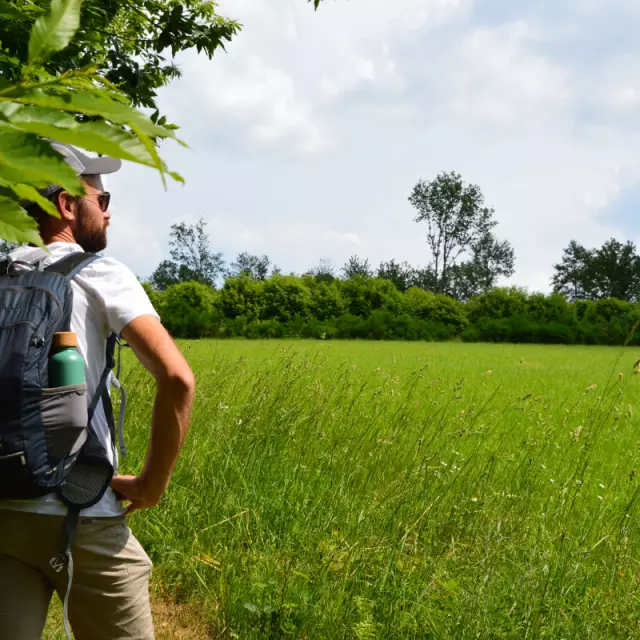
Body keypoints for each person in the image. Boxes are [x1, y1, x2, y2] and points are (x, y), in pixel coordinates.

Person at [0, 142, 196, 640]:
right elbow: (178, 378)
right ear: (67, 205)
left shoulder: (3, 273)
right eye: (101, 201)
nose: (109, 215)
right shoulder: (101, 272)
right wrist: (152, 484)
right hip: (81, 509)